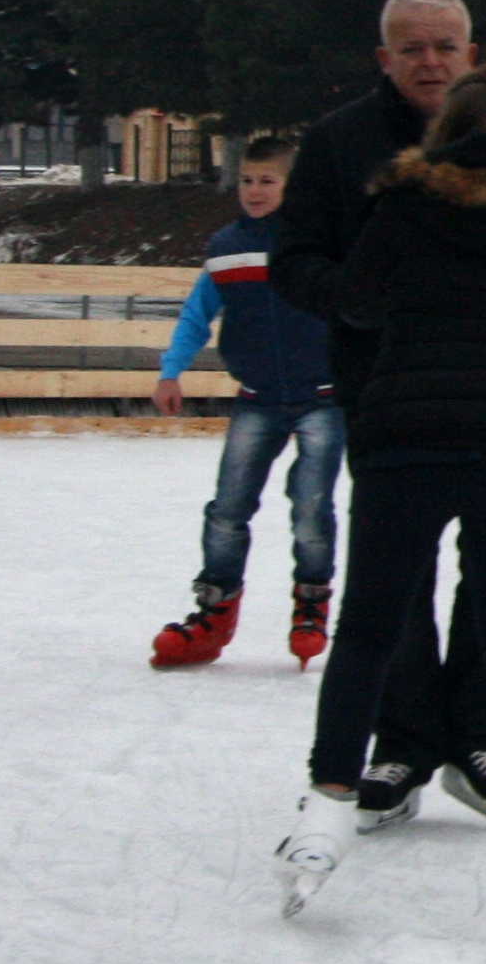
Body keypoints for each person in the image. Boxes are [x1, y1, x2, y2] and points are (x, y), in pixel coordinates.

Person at [274, 67, 486, 920]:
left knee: (367, 633)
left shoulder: (402, 204)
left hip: (404, 437)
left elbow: (356, 303)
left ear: (445, 133)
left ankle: (324, 817)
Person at [268, 0, 486, 831]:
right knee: (395, 577)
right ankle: (404, 739)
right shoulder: (341, 142)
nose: (430, 61)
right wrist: (356, 299)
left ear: (471, 50)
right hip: (384, 392)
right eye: (411, 47)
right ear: (384, 58)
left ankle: (479, 734)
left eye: (445, 45)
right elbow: (293, 257)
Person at [145, 136, 342, 670]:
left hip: (323, 399)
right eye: (247, 181)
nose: (254, 191)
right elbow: (196, 315)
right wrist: (171, 372)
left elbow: (359, 306)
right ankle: (214, 611)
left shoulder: (319, 243)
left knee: (310, 509)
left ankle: (311, 603)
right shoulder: (225, 247)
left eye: (267, 181)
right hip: (256, 399)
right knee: (228, 509)